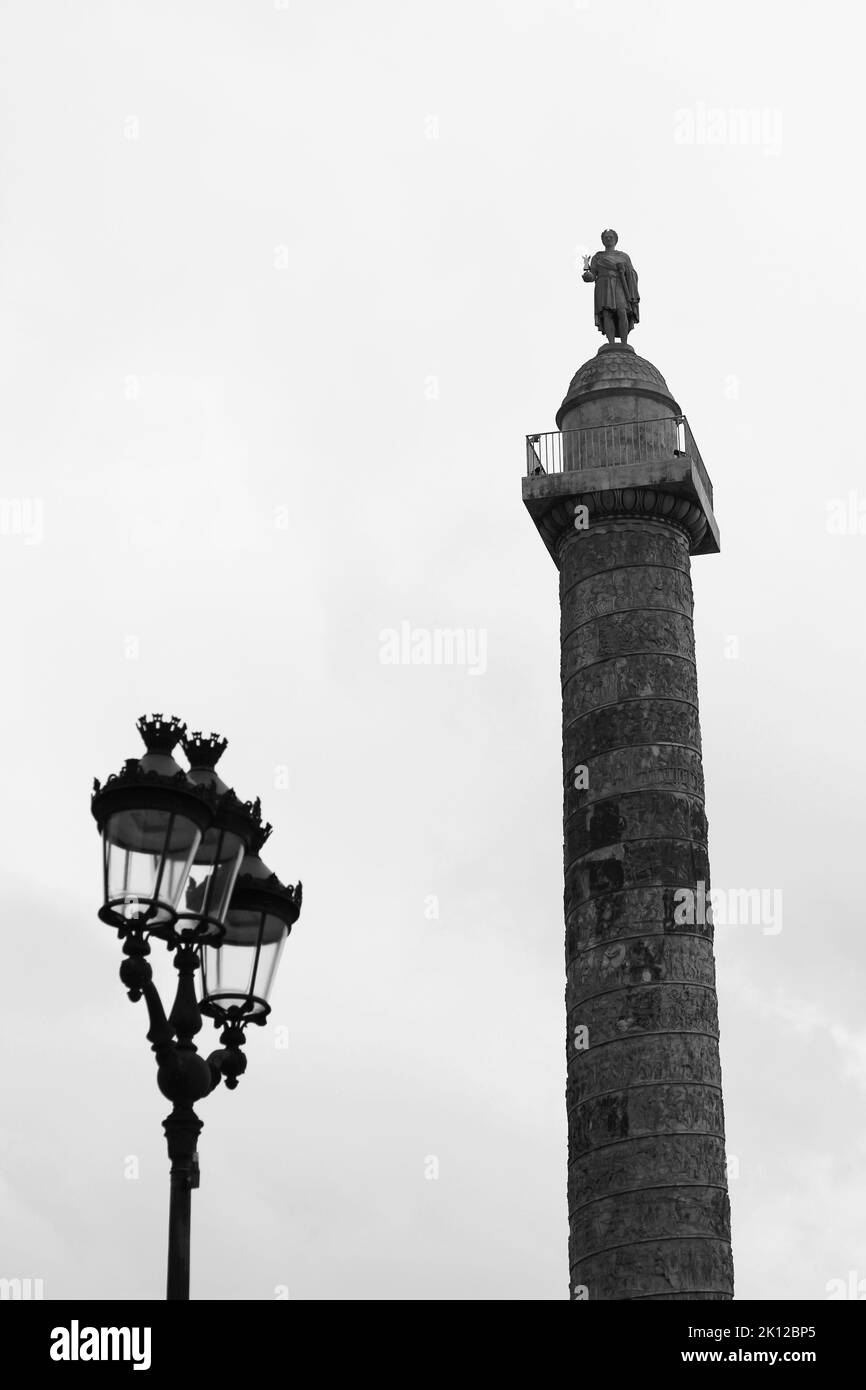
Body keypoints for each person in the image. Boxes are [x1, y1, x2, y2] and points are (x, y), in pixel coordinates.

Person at [582, 229, 640, 344]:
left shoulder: (624, 256)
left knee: (622, 311)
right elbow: (593, 274)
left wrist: (624, 269)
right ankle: (611, 342)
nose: (608, 239)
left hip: (619, 284)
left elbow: (633, 273)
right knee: (606, 313)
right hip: (603, 284)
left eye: (610, 237)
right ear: (603, 240)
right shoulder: (597, 257)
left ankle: (624, 342)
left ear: (615, 240)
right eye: (606, 237)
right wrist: (588, 274)